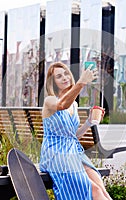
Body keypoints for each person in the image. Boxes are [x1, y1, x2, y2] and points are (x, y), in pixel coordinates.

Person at [39, 62, 112, 200]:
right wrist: (82, 82)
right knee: (94, 191)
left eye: (66, 73)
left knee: (101, 188)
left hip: (73, 152)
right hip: (56, 155)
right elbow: (61, 105)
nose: (65, 77)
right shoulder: (49, 101)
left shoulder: (74, 104)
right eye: (59, 76)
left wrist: (89, 122)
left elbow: (73, 136)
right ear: (53, 82)